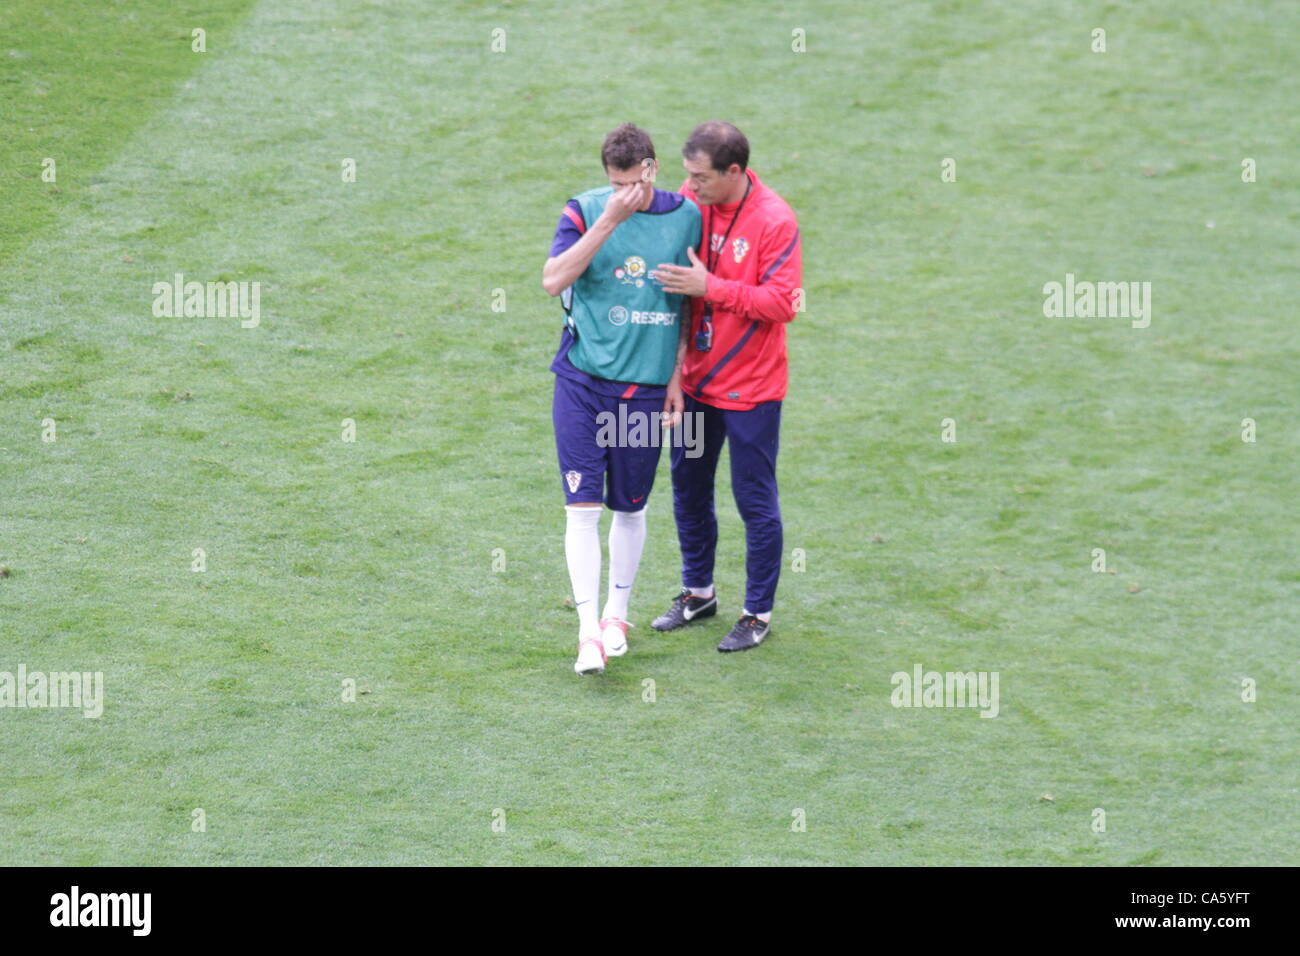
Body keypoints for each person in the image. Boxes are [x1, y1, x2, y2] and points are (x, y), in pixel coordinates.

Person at [542, 123, 702, 675]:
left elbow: (689, 304)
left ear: (652, 169)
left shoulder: (686, 216)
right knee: (581, 507)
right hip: (582, 385)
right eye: (614, 184)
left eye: (631, 183)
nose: (623, 192)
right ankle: (587, 633)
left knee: (630, 505)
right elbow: (552, 279)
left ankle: (617, 615)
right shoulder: (587, 211)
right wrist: (610, 219)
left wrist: (678, 375)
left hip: (643, 393)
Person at [647, 121, 802, 652]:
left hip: (752, 390)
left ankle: (756, 613)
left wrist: (711, 287)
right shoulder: (691, 207)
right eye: (686, 174)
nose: (689, 186)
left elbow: (784, 303)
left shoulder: (775, 221)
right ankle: (699, 592)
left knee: (753, 500)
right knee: (688, 488)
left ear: (734, 172)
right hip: (694, 384)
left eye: (700, 177)